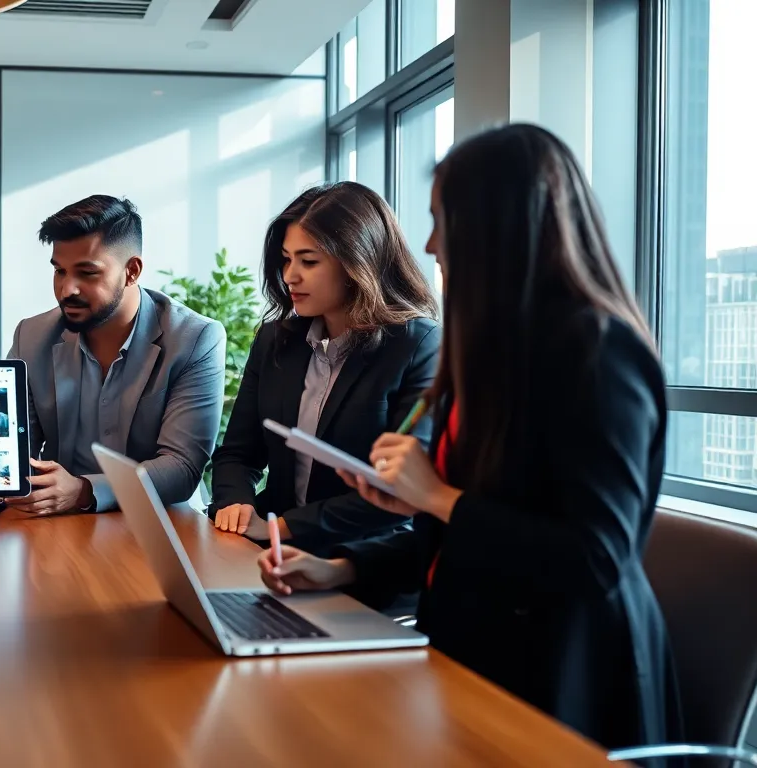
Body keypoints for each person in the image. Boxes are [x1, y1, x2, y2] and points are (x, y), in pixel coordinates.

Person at [259, 124, 684, 753]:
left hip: (565, 683)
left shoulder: (597, 353)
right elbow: (458, 538)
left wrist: (437, 497)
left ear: (499, 225)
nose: (430, 243)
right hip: (473, 653)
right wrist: (341, 568)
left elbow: (594, 558)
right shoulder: (493, 352)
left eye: (442, 220)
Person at [208, 183, 440, 553]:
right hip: (268, 549)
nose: (290, 276)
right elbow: (238, 453)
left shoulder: (420, 346)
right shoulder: (275, 340)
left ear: (357, 263)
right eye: (286, 259)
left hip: (361, 559)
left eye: (309, 261)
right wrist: (237, 504)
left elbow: (400, 490)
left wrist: (282, 528)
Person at [0, 195, 224, 516]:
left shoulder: (194, 339)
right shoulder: (30, 337)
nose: (67, 289)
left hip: (162, 521)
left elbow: (181, 467)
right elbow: (16, 453)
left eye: (87, 273)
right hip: (60, 523)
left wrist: (85, 490)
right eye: (60, 271)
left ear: (131, 271)